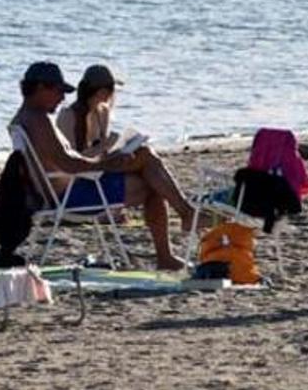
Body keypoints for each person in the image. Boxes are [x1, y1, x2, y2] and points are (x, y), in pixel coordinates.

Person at [11, 61, 196, 270]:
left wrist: (107, 161)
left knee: (148, 166)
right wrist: (107, 163)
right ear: (40, 88)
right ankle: (178, 230)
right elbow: (69, 163)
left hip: (60, 191)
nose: (62, 97)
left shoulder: (27, 118)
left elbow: (66, 160)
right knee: (151, 178)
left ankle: (180, 225)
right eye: (58, 91)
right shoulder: (39, 120)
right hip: (70, 196)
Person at [56, 64, 123, 157]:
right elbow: (71, 157)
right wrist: (106, 144)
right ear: (101, 91)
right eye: (111, 89)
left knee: (142, 152)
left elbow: (103, 152)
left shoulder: (103, 111)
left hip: (98, 165)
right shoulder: (68, 116)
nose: (112, 94)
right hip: (79, 167)